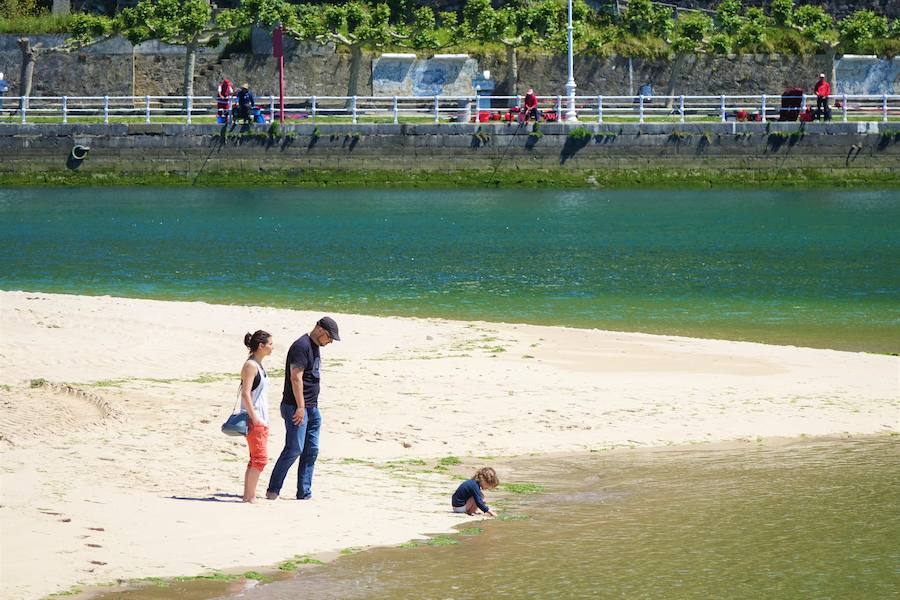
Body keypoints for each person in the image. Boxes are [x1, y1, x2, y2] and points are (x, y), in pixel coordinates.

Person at [266, 317, 340, 501]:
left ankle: (304, 493)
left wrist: (310, 407)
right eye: (330, 338)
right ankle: (273, 490)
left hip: (312, 409)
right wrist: (300, 407)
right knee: (294, 449)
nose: (330, 342)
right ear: (321, 330)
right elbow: (296, 378)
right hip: (295, 407)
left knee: (311, 450)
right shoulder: (301, 346)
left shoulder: (315, 346)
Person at [239, 330, 274, 503]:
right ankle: (250, 497)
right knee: (260, 459)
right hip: (255, 419)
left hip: (261, 417)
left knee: (255, 459)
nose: (272, 347)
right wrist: (255, 418)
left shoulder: (257, 365)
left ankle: (248, 496)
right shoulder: (251, 365)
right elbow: (245, 394)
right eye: (270, 344)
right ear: (261, 346)